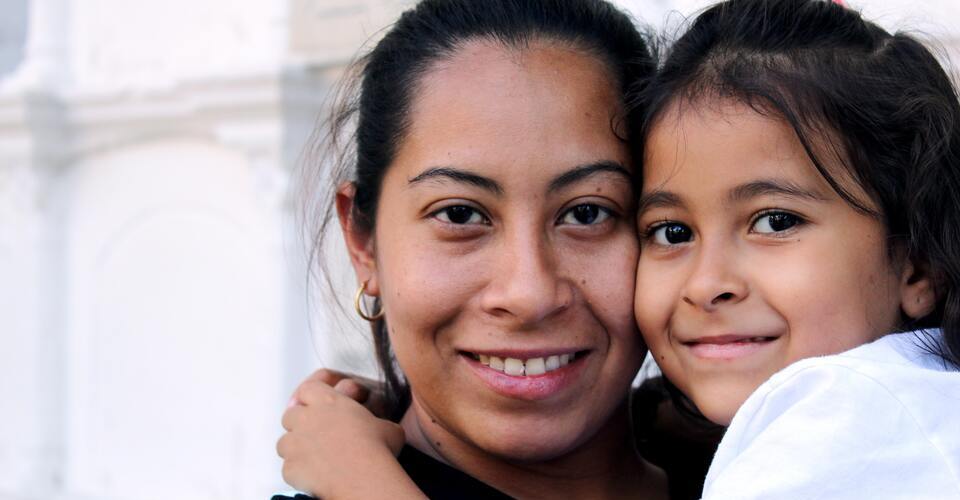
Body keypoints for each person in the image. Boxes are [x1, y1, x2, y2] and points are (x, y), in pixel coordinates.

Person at [276, 0, 669, 498]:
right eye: (459, 214)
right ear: (363, 242)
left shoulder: (767, 468)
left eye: (586, 213)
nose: (529, 294)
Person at [632, 0, 960, 497]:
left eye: (776, 221)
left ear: (919, 265)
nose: (706, 285)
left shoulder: (843, 416)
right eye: (671, 232)